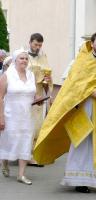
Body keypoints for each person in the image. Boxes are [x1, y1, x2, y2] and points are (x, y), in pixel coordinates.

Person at [33, 31, 96, 198]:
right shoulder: (82, 62)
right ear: (92, 43)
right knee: (81, 144)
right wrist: (91, 92)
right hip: (85, 109)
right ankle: (79, 180)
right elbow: (73, 86)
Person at [0, 48, 37, 185]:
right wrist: (1, 118)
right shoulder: (6, 76)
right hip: (10, 115)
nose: (24, 61)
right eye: (21, 58)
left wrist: (39, 99)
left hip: (27, 116)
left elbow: (33, 95)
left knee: (25, 143)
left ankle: (21, 175)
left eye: (26, 58)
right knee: (9, 142)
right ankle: (4, 162)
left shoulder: (31, 75)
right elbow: (0, 97)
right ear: (15, 60)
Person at [27, 33, 53, 167]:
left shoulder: (43, 56)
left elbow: (48, 73)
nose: (37, 47)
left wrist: (47, 81)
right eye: (36, 44)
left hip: (40, 94)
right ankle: (25, 154)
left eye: (40, 45)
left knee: (39, 125)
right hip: (27, 95)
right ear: (30, 42)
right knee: (28, 125)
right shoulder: (23, 55)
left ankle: (34, 153)